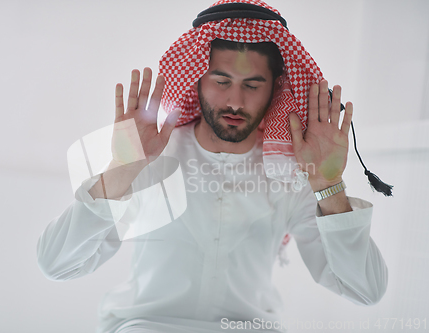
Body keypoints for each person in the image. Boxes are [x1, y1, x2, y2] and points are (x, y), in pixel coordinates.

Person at [37, 1, 388, 332]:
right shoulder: (149, 157)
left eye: (252, 85)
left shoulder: (291, 174)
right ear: (197, 81)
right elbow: (57, 265)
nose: (236, 101)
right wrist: (122, 168)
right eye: (222, 82)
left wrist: (329, 185)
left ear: (274, 90)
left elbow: (365, 291)